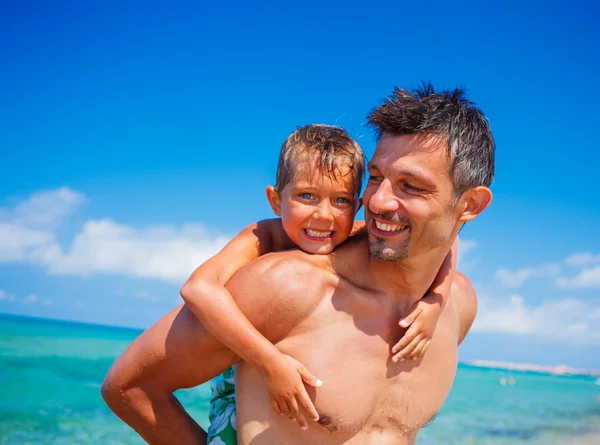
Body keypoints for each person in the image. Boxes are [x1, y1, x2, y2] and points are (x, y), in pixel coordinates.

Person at [102, 83, 494, 445]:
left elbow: (446, 243)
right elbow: (129, 388)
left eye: (410, 186)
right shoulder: (285, 287)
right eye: (375, 178)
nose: (376, 202)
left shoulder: (456, 306)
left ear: (469, 205)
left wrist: (437, 299)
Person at [178, 124, 458, 443]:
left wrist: (436, 300)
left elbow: (447, 239)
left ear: (358, 206)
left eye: (340, 200)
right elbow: (197, 289)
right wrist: (268, 362)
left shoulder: (354, 233)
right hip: (239, 374)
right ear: (275, 200)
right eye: (307, 196)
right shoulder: (263, 236)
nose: (323, 216)